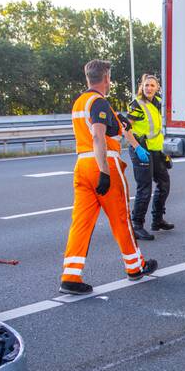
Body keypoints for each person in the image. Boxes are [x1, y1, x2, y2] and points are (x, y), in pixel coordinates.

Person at [59, 59, 158, 295]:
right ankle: (135, 267)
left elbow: (122, 126)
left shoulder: (81, 102)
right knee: (121, 219)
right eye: (109, 78)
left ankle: (70, 276)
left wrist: (136, 145)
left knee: (81, 223)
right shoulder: (98, 102)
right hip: (102, 164)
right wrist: (104, 171)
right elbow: (98, 136)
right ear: (105, 79)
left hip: (82, 166)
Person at [126, 74, 173, 240]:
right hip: (141, 149)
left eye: (152, 85)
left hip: (156, 150)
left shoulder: (159, 102)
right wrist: (137, 148)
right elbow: (126, 129)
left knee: (164, 183)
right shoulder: (137, 104)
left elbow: (160, 128)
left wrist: (165, 151)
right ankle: (137, 225)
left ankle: (157, 220)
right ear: (142, 86)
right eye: (146, 85)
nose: (149, 88)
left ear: (157, 87)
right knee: (145, 188)